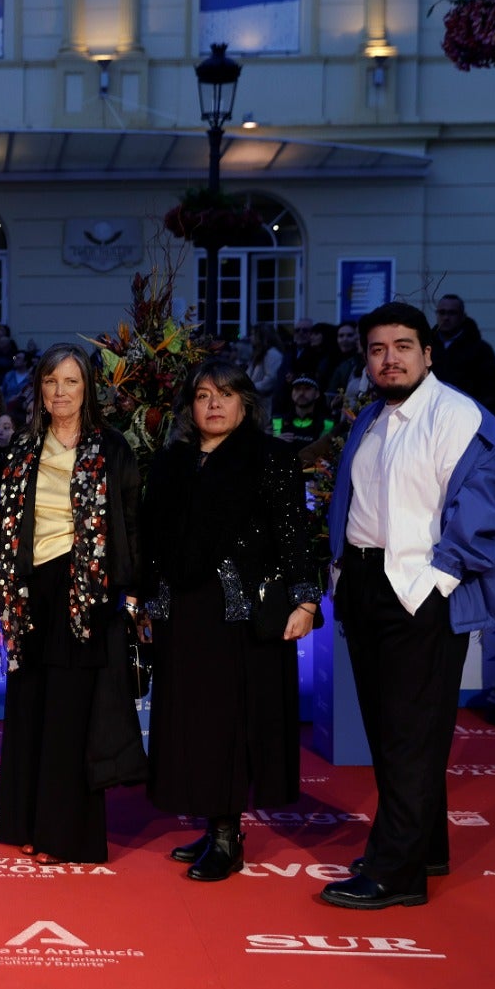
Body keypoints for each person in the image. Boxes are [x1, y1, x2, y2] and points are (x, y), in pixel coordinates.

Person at [320, 302, 495, 909]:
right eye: (377, 350)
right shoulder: (373, 418)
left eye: (403, 347)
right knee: (393, 730)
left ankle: (395, 873)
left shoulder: (458, 416)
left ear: (429, 353)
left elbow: (484, 507)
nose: (389, 359)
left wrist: (439, 579)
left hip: (421, 592)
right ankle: (424, 848)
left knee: (409, 733)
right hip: (365, 584)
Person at [142, 357, 320, 883]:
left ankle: (226, 835)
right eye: (202, 395)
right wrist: (147, 601)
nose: (213, 404)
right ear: (189, 406)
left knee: (231, 722)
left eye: (224, 394)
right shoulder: (172, 460)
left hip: (239, 612)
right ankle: (211, 822)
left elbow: (295, 532)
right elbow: (153, 536)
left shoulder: (270, 458)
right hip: (183, 610)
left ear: (246, 402)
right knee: (192, 720)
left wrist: (306, 601)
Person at [0, 344, 146, 865]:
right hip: (29, 593)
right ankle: (29, 823)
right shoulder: (23, 447)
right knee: (31, 708)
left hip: (87, 594)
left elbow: (128, 522)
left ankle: (66, 833)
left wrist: (128, 591)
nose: (61, 391)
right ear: (39, 388)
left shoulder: (111, 448)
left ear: (88, 390)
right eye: (52, 381)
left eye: (72, 382)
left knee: (72, 715)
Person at [430, 294, 495, 408]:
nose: (446, 318)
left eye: (452, 313)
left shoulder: (481, 350)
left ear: (462, 316)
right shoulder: (426, 347)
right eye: (442, 312)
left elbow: (490, 390)